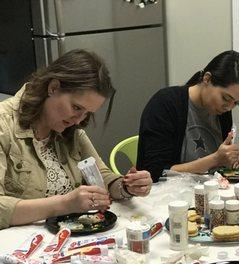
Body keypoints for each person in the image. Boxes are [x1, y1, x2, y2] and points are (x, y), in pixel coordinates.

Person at [0, 49, 152, 230]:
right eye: (76, 107)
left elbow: (102, 176)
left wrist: (126, 187)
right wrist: (65, 204)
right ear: (53, 87)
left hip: (63, 239)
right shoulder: (4, 125)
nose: (79, 120)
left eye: (87, 112)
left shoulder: (70, 130)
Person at [137, 50, 239, 181]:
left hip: (208, 190)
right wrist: (215, 159)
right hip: (169, 194)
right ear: (207, 79)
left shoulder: (222, 111)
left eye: (236, 103)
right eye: (226, 98)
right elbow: (155, 172)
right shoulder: (165, 104)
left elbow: (217, 167)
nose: (229, 107)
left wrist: (230, 160)